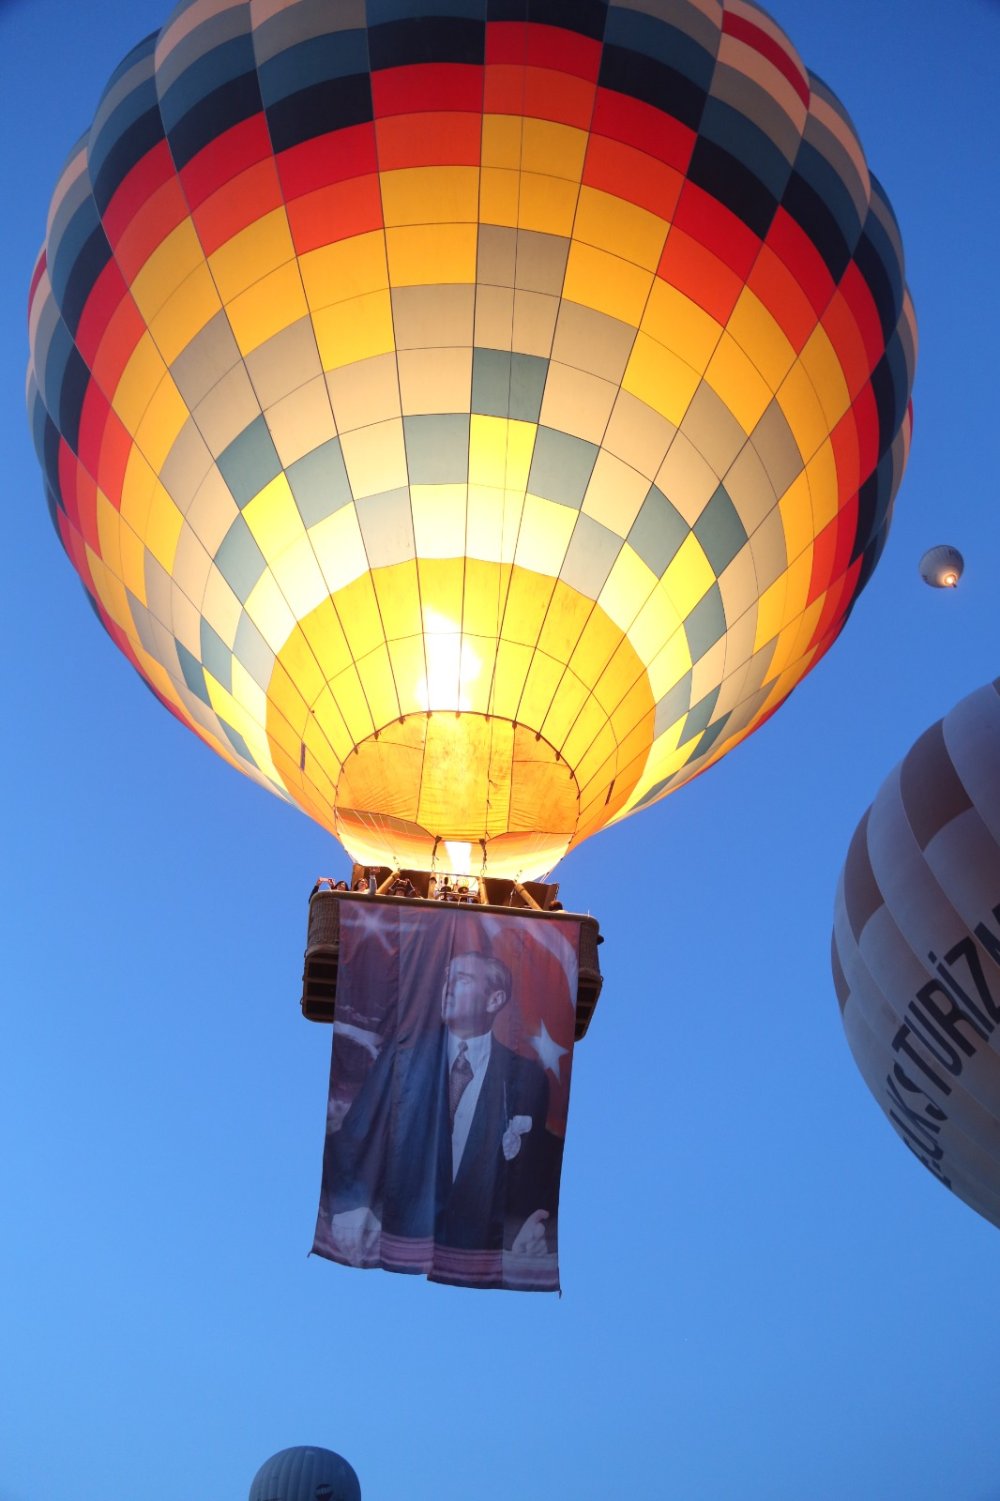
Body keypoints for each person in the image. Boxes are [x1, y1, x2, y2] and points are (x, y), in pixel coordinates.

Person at [323, 949, 554, 1264]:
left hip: (476, 1254)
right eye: (447, 976)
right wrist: (350, 1205)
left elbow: (531, 1171)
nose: (447, 986)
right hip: (395, 1235)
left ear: (494, 1000)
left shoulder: (527, 1078)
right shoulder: (403, 1057)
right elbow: (354, 1139)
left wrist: (524, 1230)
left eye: (462, 979)